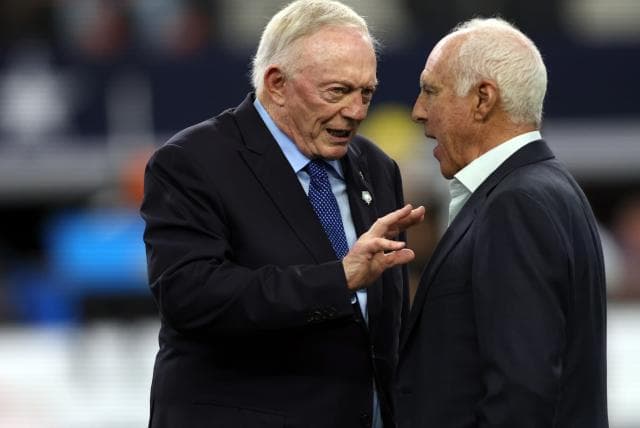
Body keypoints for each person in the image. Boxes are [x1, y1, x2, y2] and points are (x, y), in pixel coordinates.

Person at [140, 1, 424, 427]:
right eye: (337, 91)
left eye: (366, 93)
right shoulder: (193, 162)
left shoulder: (376, 167)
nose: (356, 111)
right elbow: (191, 297)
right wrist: (338, 278)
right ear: (277, 84)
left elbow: (384, 329)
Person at [395, 18, 608, 427]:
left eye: (430, 91)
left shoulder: (516, 204)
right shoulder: (548, 188)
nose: (418, 111)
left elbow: (522, 392)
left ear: (482, 99)